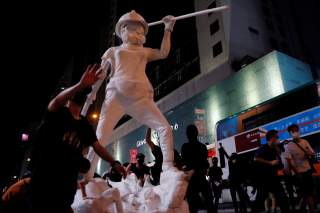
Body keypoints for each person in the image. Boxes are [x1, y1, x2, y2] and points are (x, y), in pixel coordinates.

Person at [84, 10, 180, 179]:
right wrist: (91, 94)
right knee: (99, 137)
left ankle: (168, 168)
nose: (136, 32)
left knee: (164, 128)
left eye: (140, 30)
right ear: (122, 31)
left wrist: (168, 29)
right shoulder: (113, 51)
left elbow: (163, 53)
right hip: (115, 96)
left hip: (140, 97)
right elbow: (101, 74)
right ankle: (88, 176)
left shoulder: (144, 52)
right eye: (132, 28)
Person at [29, 64, 126, 213]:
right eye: (78, 92)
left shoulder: (84, 125)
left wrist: (114, 162)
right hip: (45, 181)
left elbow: (97, 147)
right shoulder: (58, 113)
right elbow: (56, 102)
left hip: (66, 186)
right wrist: (80, 85)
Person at [253, 130, 290, 213]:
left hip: (274, 179)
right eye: (276, 137)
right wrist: (270, 162)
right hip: (264, 180)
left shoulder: (275, 149)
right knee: (259, 201)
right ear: (271, 138)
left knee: (283, 199)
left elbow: (278, 163)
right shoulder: (263, 148)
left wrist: (281, 167)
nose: (278, 139)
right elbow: (256, 158)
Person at [181, 124, 214, 213]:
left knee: (192, 208)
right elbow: (205, 165)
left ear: (187, 135)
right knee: (210, 205)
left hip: (191, 182)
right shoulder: (202, 147)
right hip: (201, 178)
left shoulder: (185, 147)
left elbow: (184, 164)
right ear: (197, 134)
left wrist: (190, 170)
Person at [284, 124, 316, 213]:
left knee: (309, 194)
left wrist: (309, 154)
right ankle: (302, 209)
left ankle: (311, 210)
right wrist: (297, 174)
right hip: (298, 174)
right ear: (290, 133)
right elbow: (289, 162)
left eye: (296, 130)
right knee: (304, 195)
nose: (296, 132)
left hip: (308, 171)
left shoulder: (305, 142)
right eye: (293, 131)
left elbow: (312, 155)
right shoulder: (289, 146)